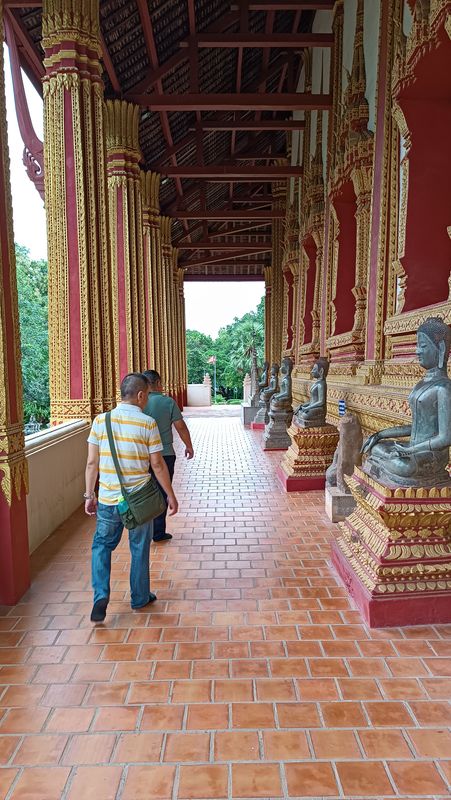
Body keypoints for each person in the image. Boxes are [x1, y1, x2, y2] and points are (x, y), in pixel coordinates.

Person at [84, 373, 178, 622]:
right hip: (140, 500)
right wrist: (170, 495)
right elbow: (157, 465)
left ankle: (100, 595)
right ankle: (139, 597)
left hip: (107, 498)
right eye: (146, 394)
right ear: (139, 395)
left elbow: (92, 463)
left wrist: (88, 495)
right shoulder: (147, 424)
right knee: (139, 548)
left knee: (102, 546)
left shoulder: (100, 421)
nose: (147, 399)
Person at [142, 370, 194, 542]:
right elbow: (180, 427)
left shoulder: (138, 403)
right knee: (162, 491)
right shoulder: (167, 402)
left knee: (142, 491)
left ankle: (143, 530)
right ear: (157, 383)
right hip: (165, 454)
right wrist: (189, 446)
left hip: (141, 455)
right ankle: (158, 532)